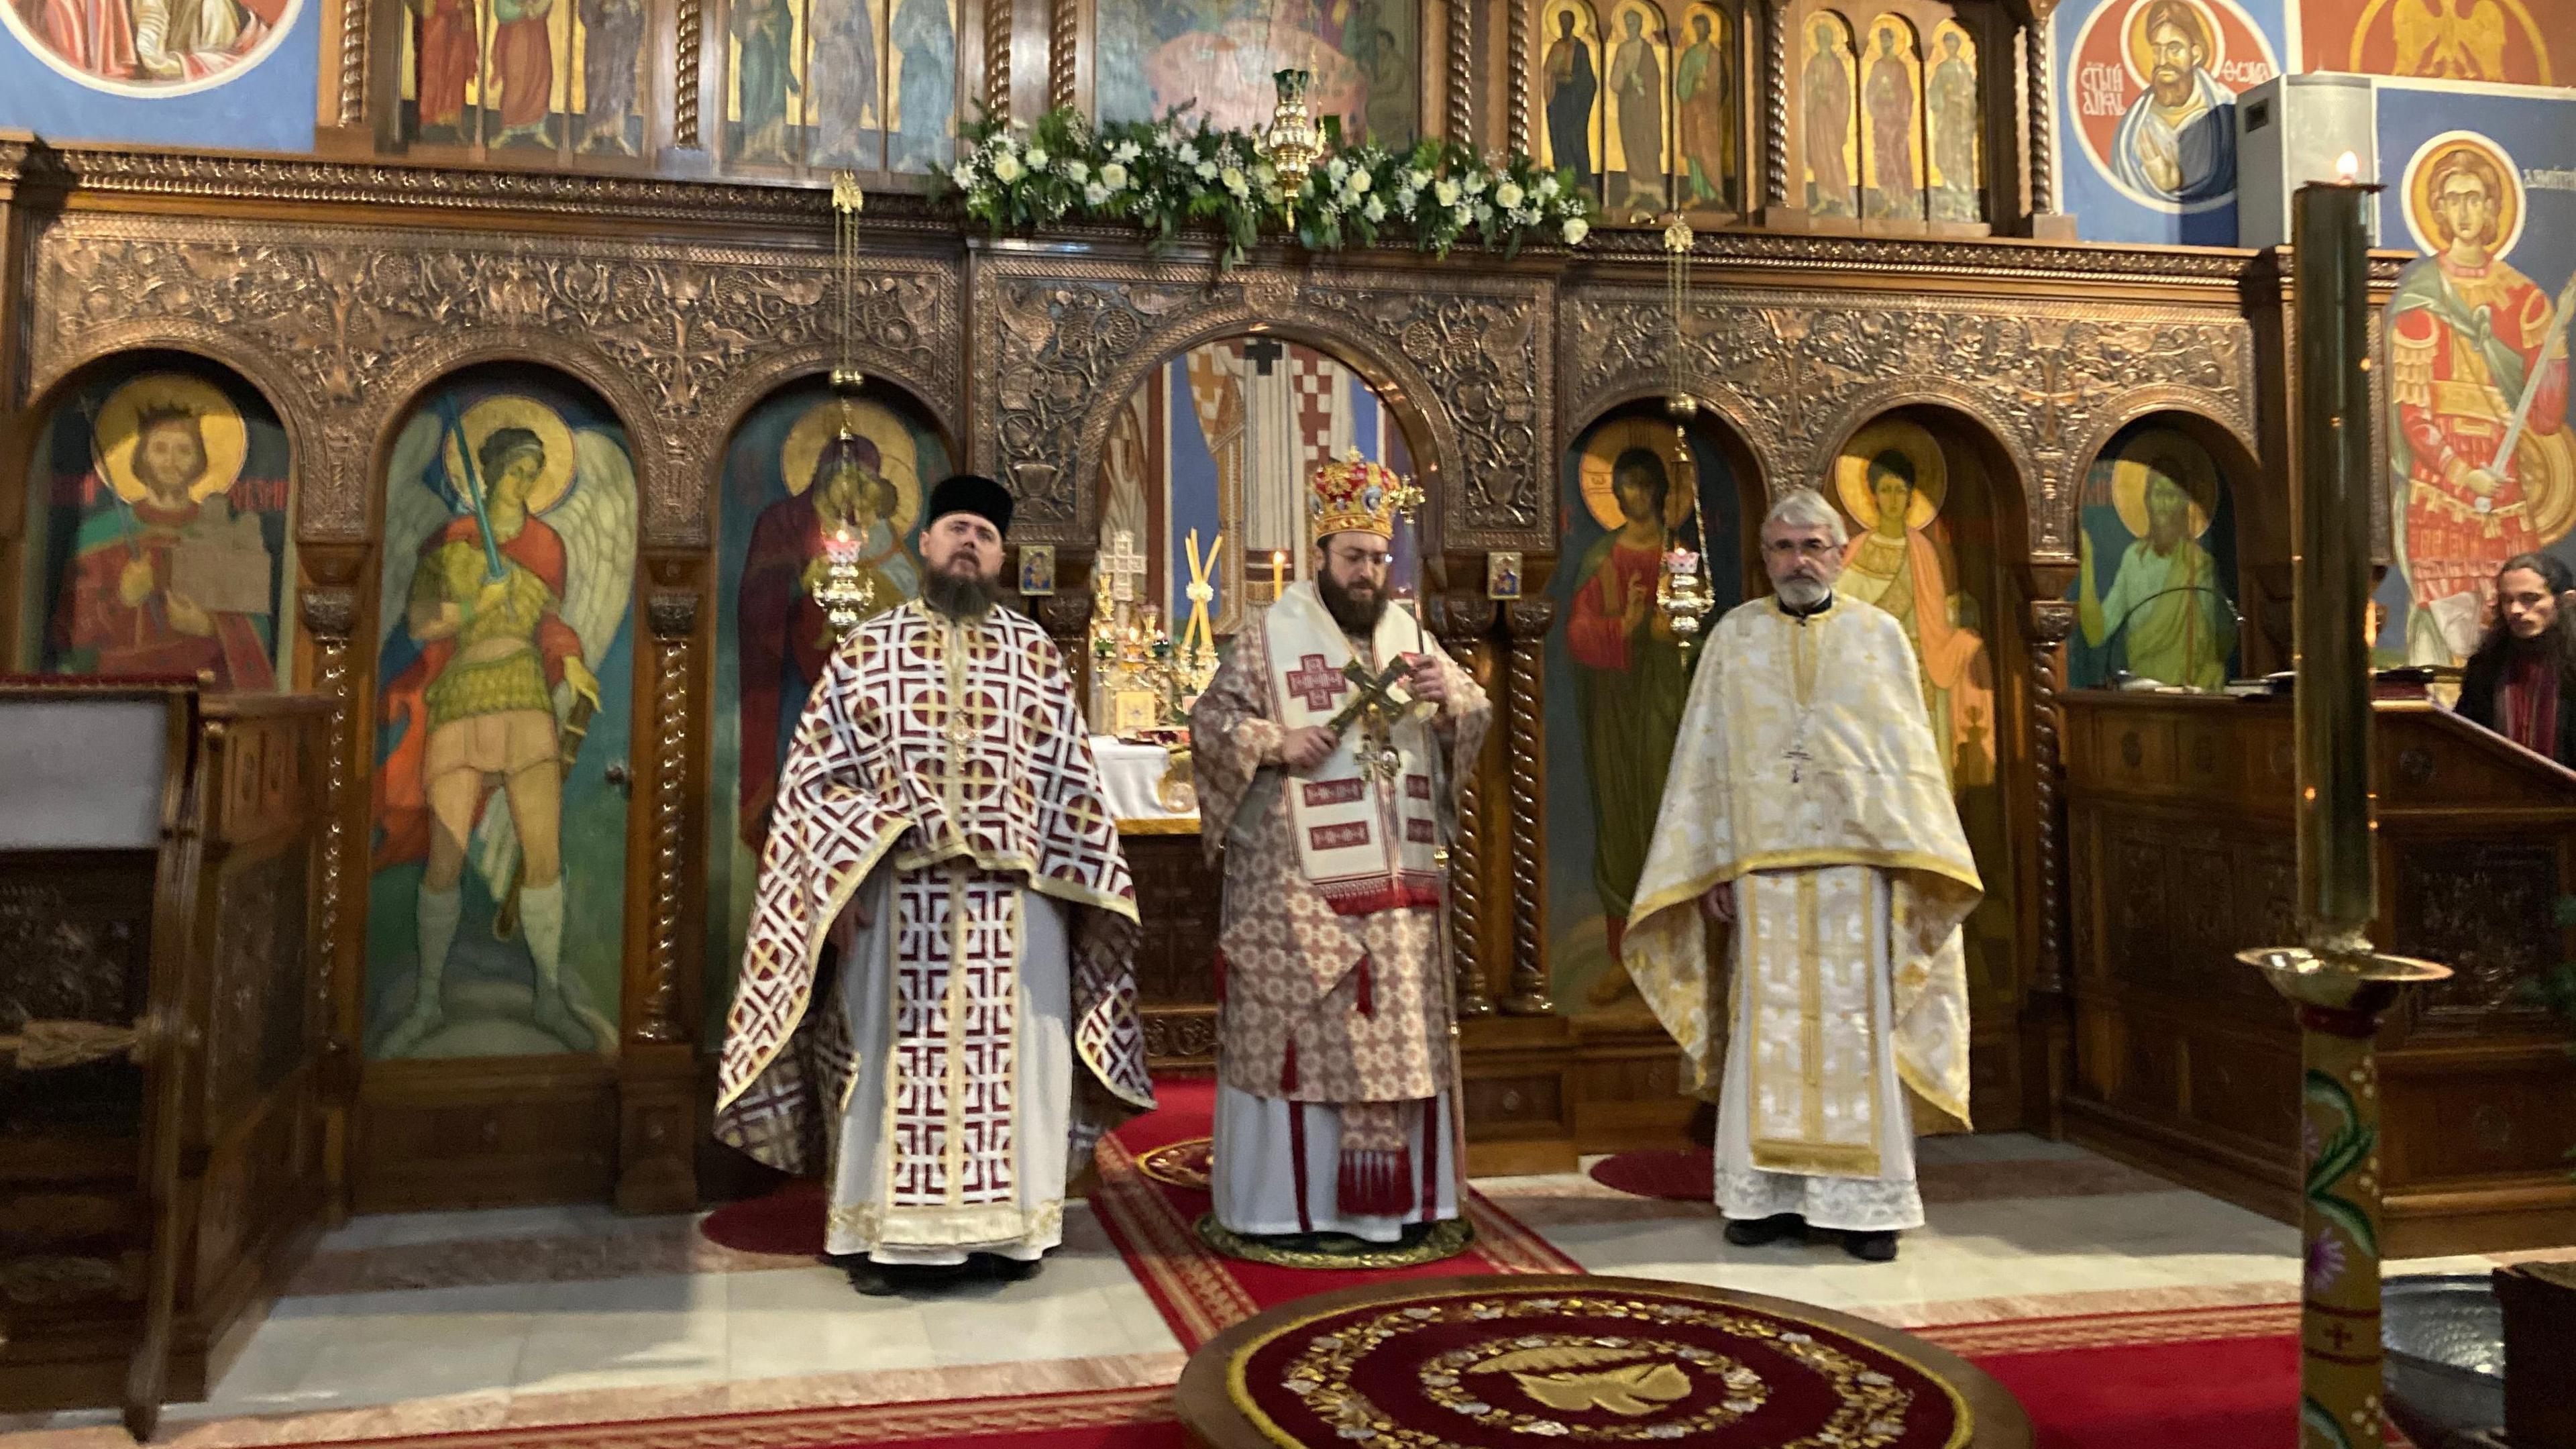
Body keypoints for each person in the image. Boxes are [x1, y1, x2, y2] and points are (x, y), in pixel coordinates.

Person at [716, 474, 1153, 1295]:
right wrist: (840, 886)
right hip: (896, 901)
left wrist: (1082, 894)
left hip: (1017, 912)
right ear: (925, 545)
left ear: (1000, 555)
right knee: (887, 1069)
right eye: (956, 529)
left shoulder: (1037, 660)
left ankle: (1006, 1235)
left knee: (1019, 1072)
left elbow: (1072, 786)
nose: (968, 546)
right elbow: (816, 782)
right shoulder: (867, 652)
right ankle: (886, 1240)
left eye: (984, 536)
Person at [1623, 489, 1980, 1263]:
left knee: (1859, 1034)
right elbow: (1706, 763)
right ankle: (1765, 1199)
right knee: (1767, 1031)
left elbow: (1910, 761)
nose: (1799, 562)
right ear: (1764, 557)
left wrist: (1906, 864)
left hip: (1859, 872)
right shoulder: (1733, 640)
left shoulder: (1880, 637)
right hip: (1763, 877)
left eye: (1814, 545)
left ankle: (1865, 1211)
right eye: (1784, 548)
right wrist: (1711, 862)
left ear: (1841, 551)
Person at [1189, 456, 1489, 1251]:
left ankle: (1400, 1208)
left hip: (1402, 897)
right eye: (1353, 557)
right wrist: (1273, 739)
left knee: (1398, 1051)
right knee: (1301, 1048)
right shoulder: (1267, 637)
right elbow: (1210, 724)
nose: (1368, 573)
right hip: (1299, 890)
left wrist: (1450, 697)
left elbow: (1474, 717)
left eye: (1378, 558)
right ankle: (1284, 1212)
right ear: (1319, 556)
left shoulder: (1410, 637)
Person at [375, 426, 603, 1058]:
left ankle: (549, 993)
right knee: (444, 860)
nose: (522, 483)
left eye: (533, 474)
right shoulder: (452, 540)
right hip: (463, 698)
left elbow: (550, 624)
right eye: (513, 471)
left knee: (543, 853)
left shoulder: (546, 544)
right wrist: (476, 605)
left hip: (525, 695)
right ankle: (427, 998)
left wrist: (574, 662)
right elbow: (421, 622)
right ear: (491, 471)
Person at [2390, 148, 2574, 662]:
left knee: (2511, 628)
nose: (2465, 211)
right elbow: (2413, 417)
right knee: (2443, 625)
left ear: (2493, 207)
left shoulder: (2526, 298)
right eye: (2453, 199)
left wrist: (2553, 344)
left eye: (2475, 198)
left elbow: (2545, 417)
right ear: (2439, 210)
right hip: (2443, 491)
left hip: (2506, 486)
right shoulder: (2421, 298)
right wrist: (2463, 474)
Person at [1565, 447, 1693, 1004]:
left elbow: (1698, 629)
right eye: (1627, 485)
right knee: (1620, 824)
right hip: (1615, 710)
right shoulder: (1600, 556)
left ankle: (1674, 955)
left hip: (1667, 705)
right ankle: (1624, 959)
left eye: (1645, 485)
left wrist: (1670, 632)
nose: (1636, 496)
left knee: (1668, 817)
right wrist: (1626, 627)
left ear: (1662, 491)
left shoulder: (1682, 556)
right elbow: (1577, 634)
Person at [54, 402, 276, 690]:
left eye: (184, 450)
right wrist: (123, 598)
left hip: (205, 694)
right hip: (122, 695)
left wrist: (209, 626)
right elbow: (69, 636)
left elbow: (260, 630)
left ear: (200, 460)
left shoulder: (226, 534)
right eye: (160, 449)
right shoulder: (99, 534)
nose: (171, 461)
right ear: (141, 457)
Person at [2077, 453, 2237, 690]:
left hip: (2193, 695)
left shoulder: (2198, 564)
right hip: (2145, 697)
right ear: (2146, 500)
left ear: (2183, 506)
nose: (2162, 503)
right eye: (2156, 494)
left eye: (2171, 495)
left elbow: (2224, 639)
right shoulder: (2134, 560)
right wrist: (2087, 564)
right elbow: (2096, 633)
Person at [2110, 0, 2237, 205]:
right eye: (2157, 49)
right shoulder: (2134, 126)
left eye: (2174, 48)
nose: (2162, 60)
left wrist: (2174, 181)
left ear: (2195, 54)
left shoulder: (2227, 115)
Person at [2457, 552, 2576, 768]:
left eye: (2530, 599)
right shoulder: (2486, 667)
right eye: (2507, 600)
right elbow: (2466, 740)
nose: (2515, 610)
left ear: (2566, 600)